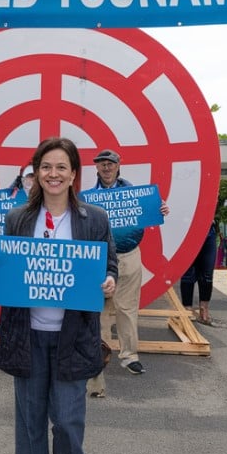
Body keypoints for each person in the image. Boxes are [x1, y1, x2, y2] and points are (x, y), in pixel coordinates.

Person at [0, 137, 117, 454]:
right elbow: (8, 265)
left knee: (67, 415)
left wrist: (108, 280)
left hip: (73, 336)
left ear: (74, 173)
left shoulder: (95, 219)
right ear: (36, 173)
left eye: (62, 167)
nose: (54, 174)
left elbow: (110, 264)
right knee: (30, 414)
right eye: (46, 167)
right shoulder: (18, 219)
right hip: (27, 333)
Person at [89, 148, 168, 376]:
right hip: (101, 259)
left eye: (110, 163)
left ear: (118, 165)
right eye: (102, 163)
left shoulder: (136, 194)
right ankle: (99, 354)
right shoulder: (87, 197)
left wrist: (159, 208)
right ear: (96, 167)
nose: (106, 167)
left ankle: (129, 356)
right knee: (100, 309)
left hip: (130, 254)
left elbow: (153, 212)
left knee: (127, 307)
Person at [179, 219, 217, 325]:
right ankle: (187, 308)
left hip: (208, 229)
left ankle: (203, 308)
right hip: (189, 228)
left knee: (207, 272)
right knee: (188, 271)